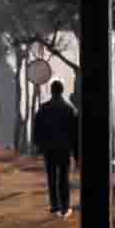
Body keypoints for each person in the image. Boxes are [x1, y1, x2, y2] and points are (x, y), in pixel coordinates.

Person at [32, 79, 79, 217]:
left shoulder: (44, 108)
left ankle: (54, 206)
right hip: (64, 148)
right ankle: (65, 206)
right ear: (62, 91)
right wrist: (76, 154)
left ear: (52, 91)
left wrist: (38, 145)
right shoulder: (69, 109)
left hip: (49, 148)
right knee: (64, 178)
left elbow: (37, 129)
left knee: (51, 177)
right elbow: (74, 133)